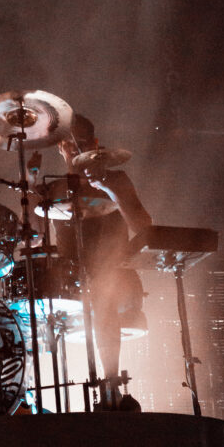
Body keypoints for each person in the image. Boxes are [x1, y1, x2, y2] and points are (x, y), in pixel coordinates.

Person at [57, 112, 153, 410]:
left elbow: (144, 226)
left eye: (82, 143)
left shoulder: (118, 178)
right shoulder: (59, 190)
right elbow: (48, 244)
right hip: (77, 280)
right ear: (61, 149)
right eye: (70, 145)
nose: (76, 149)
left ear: (95, 143)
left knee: (102, 289)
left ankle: (111, 384)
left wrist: (109, 188)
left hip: (119, 277)